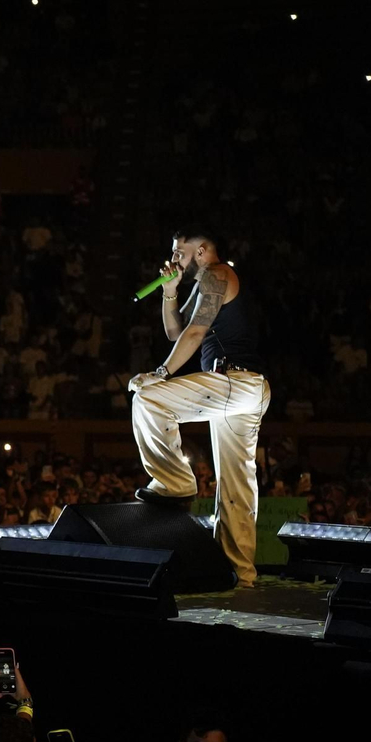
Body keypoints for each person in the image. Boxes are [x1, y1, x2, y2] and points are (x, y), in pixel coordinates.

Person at [130, 227, 271, 587]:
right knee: (236, 486)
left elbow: (194, 335)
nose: (174, 259)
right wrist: (169, 292)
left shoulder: (217, 274)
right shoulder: (202, 284)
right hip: (244, 390)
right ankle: (241, 576)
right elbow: (176, 333)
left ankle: (174, 480)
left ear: (203, 250)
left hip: (233, 382)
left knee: (148, 397)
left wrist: (160, 374)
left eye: (180, 252)